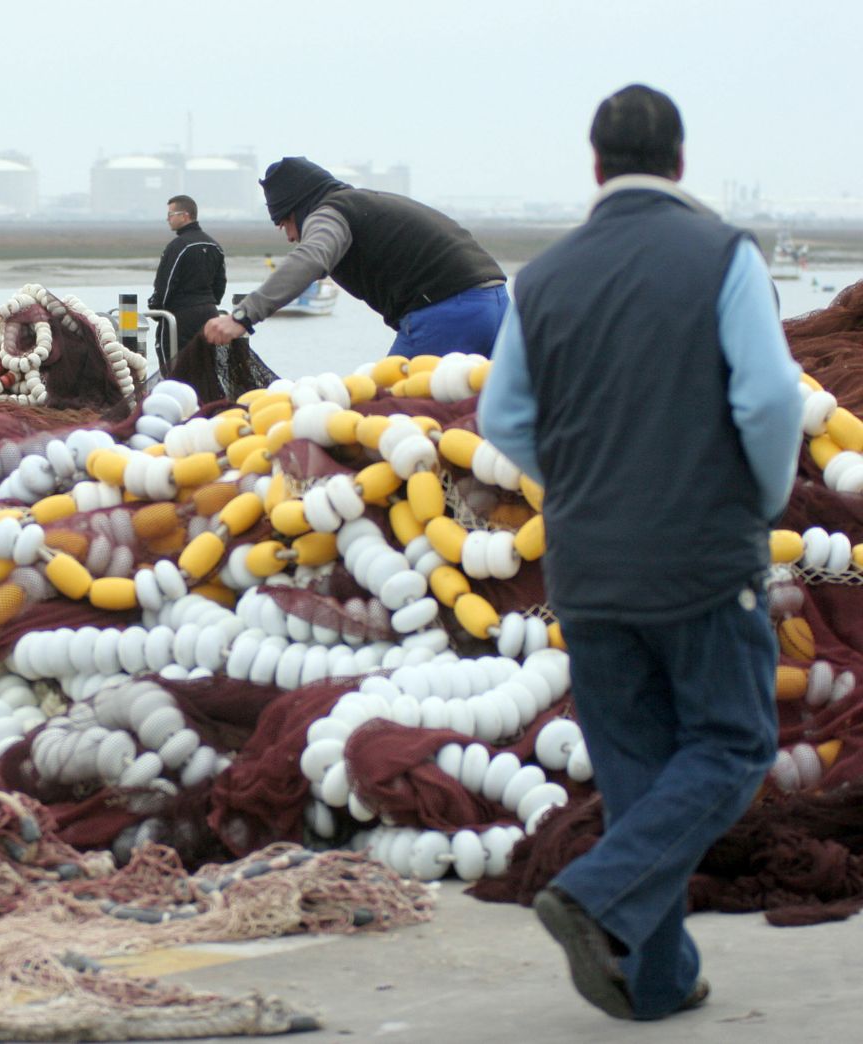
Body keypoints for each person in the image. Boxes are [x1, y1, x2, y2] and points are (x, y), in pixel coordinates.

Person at [477, 84, 803, 1021]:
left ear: (595, 168)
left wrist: (581, 481)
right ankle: (594, 893)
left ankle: (658, 978)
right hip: (700, 556)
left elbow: (502, 418)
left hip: (586, 562)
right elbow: (772, 402)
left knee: (638, 773)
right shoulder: (722, 256)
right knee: (735, 744)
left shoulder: (542, 279)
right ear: (680, 162)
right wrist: (761, 495)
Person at [204, 157, 507, 357]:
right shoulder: (366, 201)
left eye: (284, 223)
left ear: (297, 209)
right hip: (498, 305)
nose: (290, 237)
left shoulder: (329, 214)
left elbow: (310, 258)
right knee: (481, 415)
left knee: (393, 419)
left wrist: (244, 316)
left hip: (448, 313)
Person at [148, 194, 225, 369]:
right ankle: (206, 397)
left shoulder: (178, 246)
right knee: (206, 366)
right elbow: (220, 283)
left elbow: (165, 284)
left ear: (185, 216)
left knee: (173, 365)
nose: (167, 219)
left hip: (180, 317)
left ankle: (176, 395)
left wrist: (156, 307)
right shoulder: (214, 245)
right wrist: (209, 302)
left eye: (170, 214)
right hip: (210, 313)